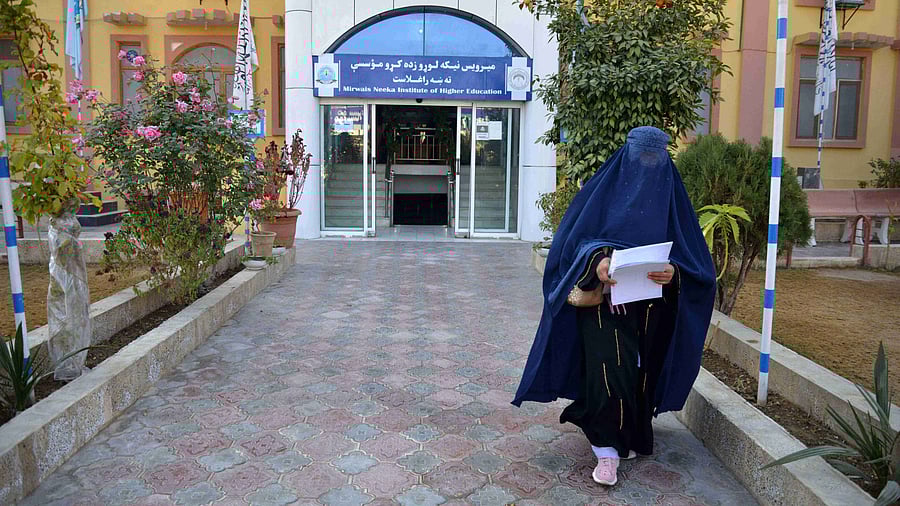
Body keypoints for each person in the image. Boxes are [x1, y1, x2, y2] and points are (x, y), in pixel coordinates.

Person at [512, 126, 715, 486]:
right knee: (610, 372)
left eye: (655, 160)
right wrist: (599, 261)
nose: (646, 168)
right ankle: (606, 452)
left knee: (639, 375)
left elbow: (696, 264)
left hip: (651, 313)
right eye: (640, 158)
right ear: (626, 156)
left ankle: (630, 434)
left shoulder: (673, 201)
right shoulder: (602, 193)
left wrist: (673, 272)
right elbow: (572, 243)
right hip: (604, 305)